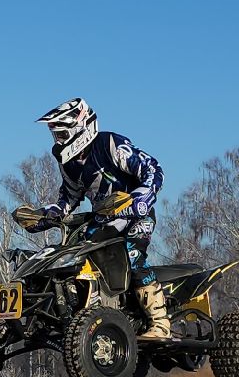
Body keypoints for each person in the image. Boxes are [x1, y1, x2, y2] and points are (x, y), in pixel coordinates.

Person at [26, 98, 170, 339]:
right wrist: (45, 216)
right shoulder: (68, 163)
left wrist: (142, 196)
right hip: (103, 220)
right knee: (71, 257)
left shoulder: (110, 144)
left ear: (81, 128)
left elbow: (152, 168)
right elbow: (69, 196)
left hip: (136, 215)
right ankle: (85, 314)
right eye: (55, 135)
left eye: (62, 134)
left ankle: (160, 322)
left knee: (133, 255)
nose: (58, 140)